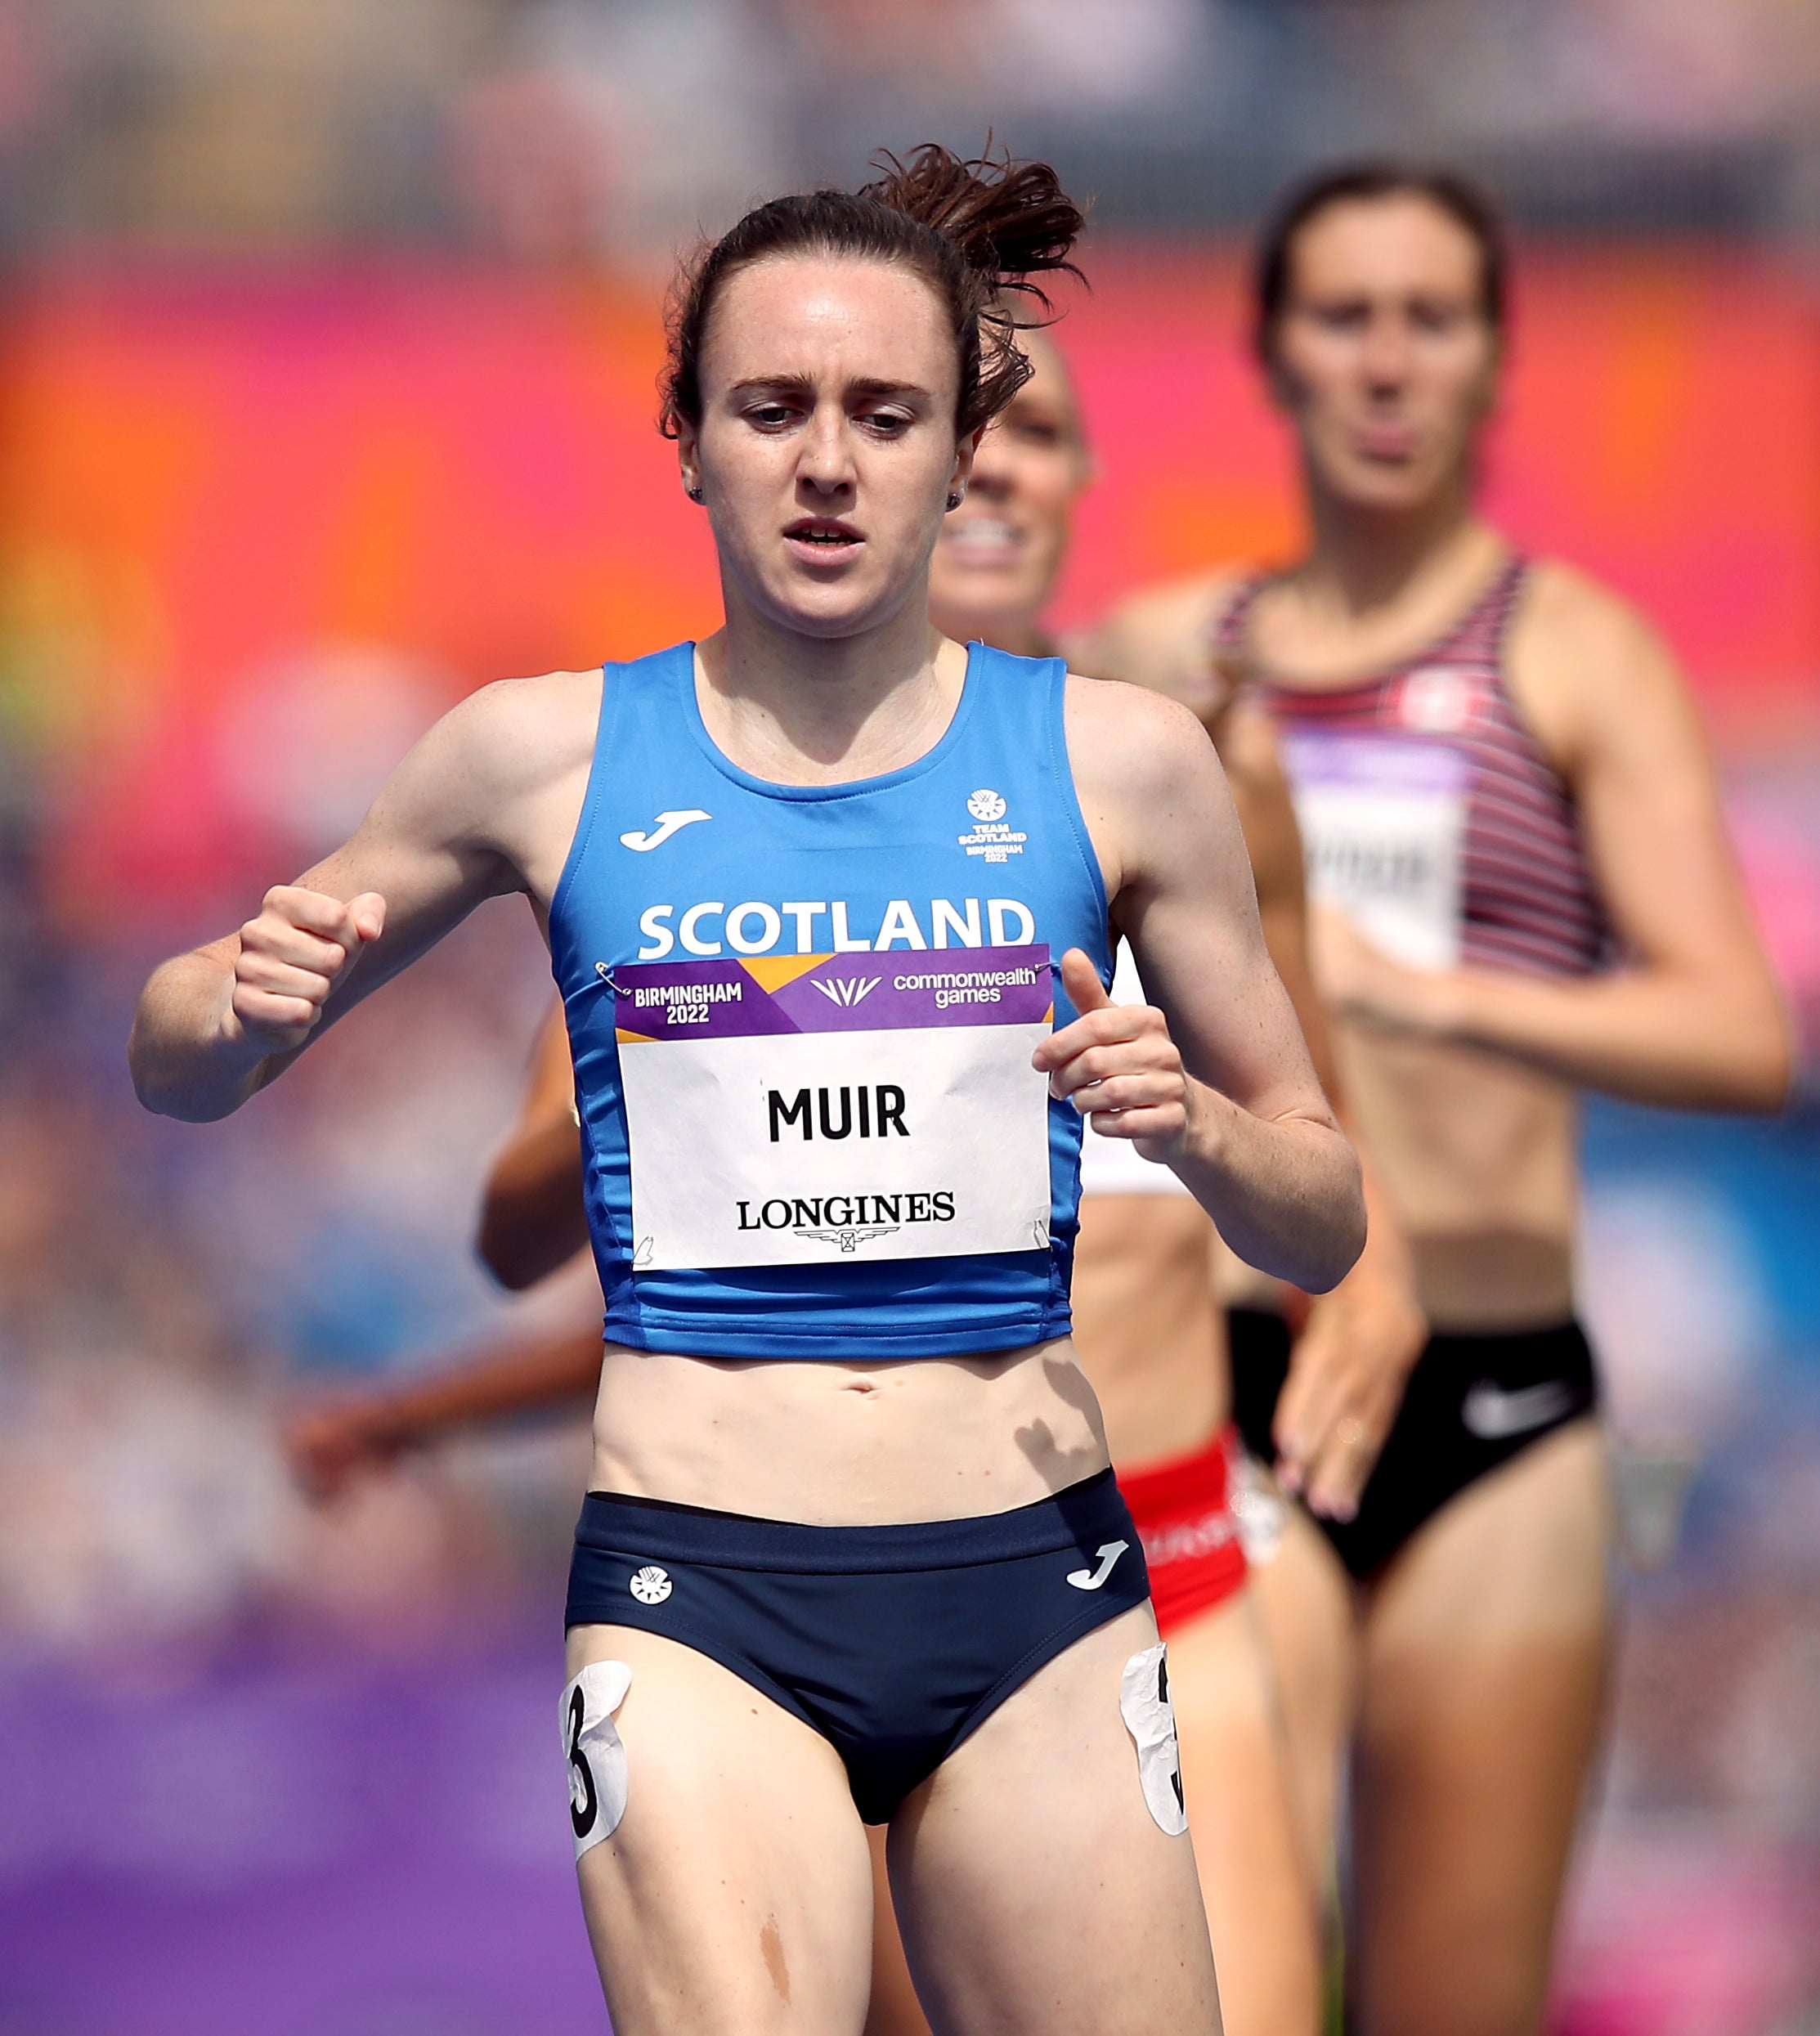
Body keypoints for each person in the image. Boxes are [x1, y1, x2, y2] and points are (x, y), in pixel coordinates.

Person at [132, 146, 1366, 2036]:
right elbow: (183, 1064)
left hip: (1037, 1577)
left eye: (885, 415)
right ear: (689, 444)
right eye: (771, 409)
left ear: (965, 453)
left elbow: (1326, 1204)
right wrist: (228, 1003)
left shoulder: (1127, 765)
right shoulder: (536, 756)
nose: (827, 461)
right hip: (704, 1594)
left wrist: (1195, 1130)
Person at [1087, 161, 1792, 2036]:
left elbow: (1743, 1037)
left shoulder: (1573, 655)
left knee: (1455, 2001)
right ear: (1272, 355)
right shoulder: (1169, 660)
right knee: (1225, 1992)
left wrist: (1444, 996)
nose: (1387, 359)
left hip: (1500, 1401)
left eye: (1432, 317)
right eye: (1343, 315)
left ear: (1494, 359)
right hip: (1244, 1392)